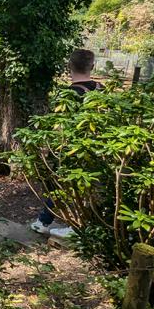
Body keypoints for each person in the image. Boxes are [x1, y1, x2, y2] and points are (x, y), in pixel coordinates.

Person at [30, 49, 102, 238]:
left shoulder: (69, 95)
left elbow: (59, 128)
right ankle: (51, 221)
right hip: (97, 147)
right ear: (92, 66)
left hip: (72, 149)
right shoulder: (100, 89)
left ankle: (60, 224)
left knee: (58, 184)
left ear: (69, 66)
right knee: (86, 187)